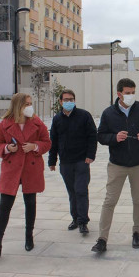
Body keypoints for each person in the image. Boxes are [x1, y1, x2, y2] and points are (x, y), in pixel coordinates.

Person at [92, 78, 139, 253]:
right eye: (127, 93)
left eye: (133, 92)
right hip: (117, 164)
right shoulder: (108, 113)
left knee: (138, 200)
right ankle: (102, 238)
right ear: (119, 93)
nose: (131, 96)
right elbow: (101, 136)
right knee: (109, 201)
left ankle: (137, 232)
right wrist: (114, 137)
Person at [0, 93, 51, 257]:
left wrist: (34, 146)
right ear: (18, 106)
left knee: (30, 203)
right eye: (26, 104)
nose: (30, 107)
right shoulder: (3, 125)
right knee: (4, 206)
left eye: (30, 103)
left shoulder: (37, 123)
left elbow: (47, 142)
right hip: (12, 169)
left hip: (31, 168)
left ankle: (29, 237)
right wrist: (8, 148)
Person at [48, 89, 97, 235]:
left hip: (82, 160)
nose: (69, 102)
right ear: (61, 101)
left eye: (71, 99)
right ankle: (75, 218)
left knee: (81, 190)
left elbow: (92, 136)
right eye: (66, 100)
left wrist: (90, 155)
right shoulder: (57, 119)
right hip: (65, 162)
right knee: (72, 192)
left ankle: (83, 221)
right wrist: (52, 161)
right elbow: (54, 141)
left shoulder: (84, 116)